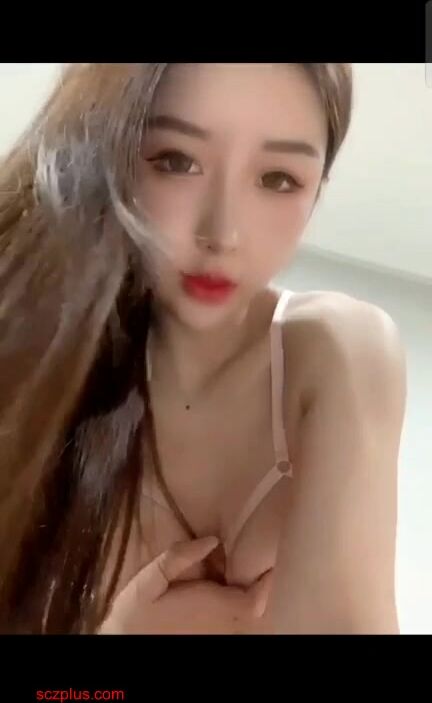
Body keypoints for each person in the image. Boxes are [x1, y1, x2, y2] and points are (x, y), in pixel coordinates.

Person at [0, 63, 406, 635]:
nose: (223, 233)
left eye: (278, 179)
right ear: (107, 151)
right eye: (176, 161)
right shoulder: (43, 368)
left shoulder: (337, 353)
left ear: (317, 190)